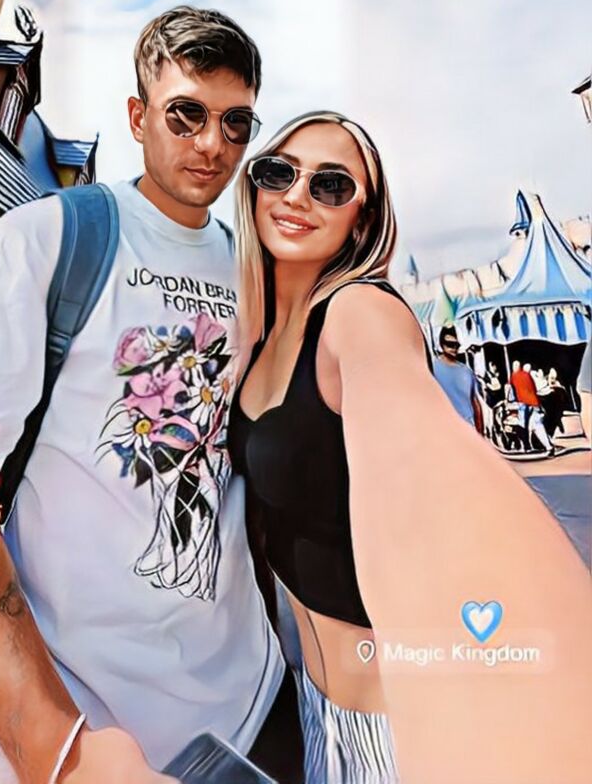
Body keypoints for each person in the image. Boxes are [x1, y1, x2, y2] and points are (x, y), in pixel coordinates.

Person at [0, 7, 302, 784]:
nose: (212, 144)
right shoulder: (46, 240)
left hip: (247, 708)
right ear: (139, 117)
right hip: (76, 722)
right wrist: (63, 753)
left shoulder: (258, 275)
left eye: (236, 123)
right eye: (186, 114)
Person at [228, 109, 592, 784]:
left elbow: (439, 494)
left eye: (331, 185)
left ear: (362, 218)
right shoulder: (256, 337)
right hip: (309, 711)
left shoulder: (359, 314)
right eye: (279, 172)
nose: (298, 194)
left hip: (394, 731)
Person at [432, 326, 485, 432]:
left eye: (457, 345)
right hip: (443, 427)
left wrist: (480, 433)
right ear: (442, 344)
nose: (454, 348)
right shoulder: (432, 368)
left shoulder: (467, 371)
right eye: (450, 344)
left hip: (467, 427)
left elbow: (475, 402)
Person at [510, 360, 553, 455]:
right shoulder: (528, 375)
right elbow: (534, 388)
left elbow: (511, 389)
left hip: (523, 403)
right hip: (534, 402)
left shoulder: (514, 376)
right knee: (537, 424)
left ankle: (525, 446)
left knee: (522, 425)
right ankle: (548, 446)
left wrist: (511, 399)